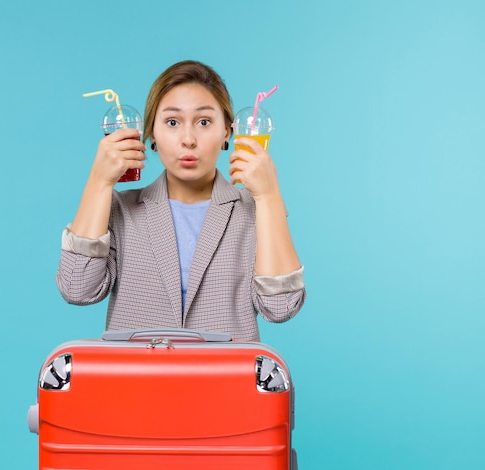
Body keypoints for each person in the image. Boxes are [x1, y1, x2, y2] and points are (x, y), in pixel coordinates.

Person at [56, 60, 305, 341]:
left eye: (204, 122)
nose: (188, 139)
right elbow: (77, 288)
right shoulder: (120, 210)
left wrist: (269, 196)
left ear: (227, 131)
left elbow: (280, 307)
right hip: (136, 382)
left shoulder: (252, 210)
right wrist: (98, 182)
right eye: (172, 122)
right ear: (151, 134)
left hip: (226, 383)